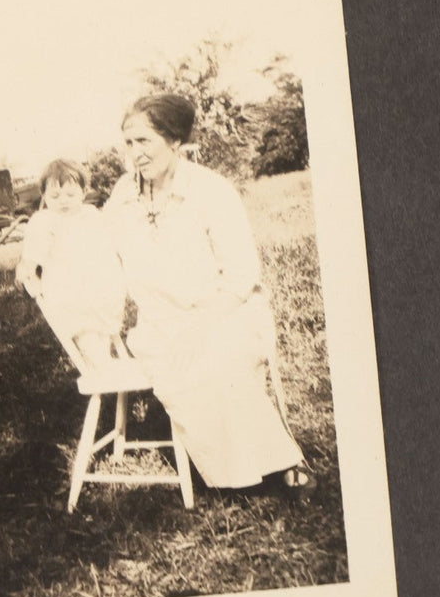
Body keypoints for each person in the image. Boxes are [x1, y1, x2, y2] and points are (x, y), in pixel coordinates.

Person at [104, 93, 313, 495]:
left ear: (174, 141)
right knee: (184, 366)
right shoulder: (122, 197)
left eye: (144, 141)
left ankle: (278, 461)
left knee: (217, 356)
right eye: (128, 143)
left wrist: (200, 325)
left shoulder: (211, 191)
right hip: (159, 322)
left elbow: (240, 275)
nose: (134, 154)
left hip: (227, 309)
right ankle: (244, 475)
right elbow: (97, 253)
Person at [15, 158, 127, 369]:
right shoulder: (45, 220)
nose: (63, 201)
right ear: (44, 196)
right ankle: (100, 364)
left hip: (100, 285)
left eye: (70, 195)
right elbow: (34, 249)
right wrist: (27, 266)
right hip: (69, 290)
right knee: (86, 329)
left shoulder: (91, 214)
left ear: (84, 193)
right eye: (55, 196)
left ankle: (104, 357)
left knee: (103, 322)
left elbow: (110, 238)